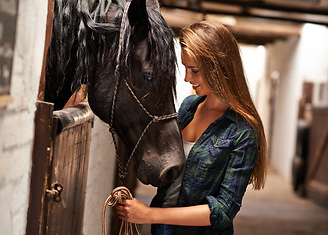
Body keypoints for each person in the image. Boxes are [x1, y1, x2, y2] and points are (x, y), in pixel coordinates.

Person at [115, 20, 268, 235]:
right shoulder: (188, 107)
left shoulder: (243, 131)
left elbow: (223, 211)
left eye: (194, 70)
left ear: (218, 67)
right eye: (186, 68)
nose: (187, 78)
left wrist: (149, 215)